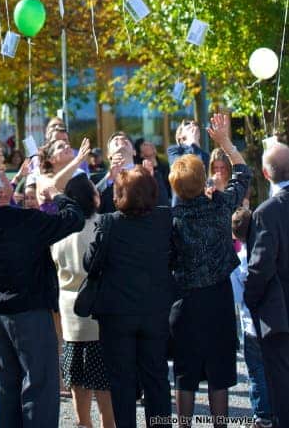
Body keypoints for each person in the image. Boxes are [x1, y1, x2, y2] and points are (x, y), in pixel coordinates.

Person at [0, 163, 85, 427]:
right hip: (30, 311)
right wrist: (55, 193)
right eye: (2, 178)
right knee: (39, 385)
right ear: (0, 193)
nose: (8, 178)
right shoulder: (26, 221)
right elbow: (74, 218)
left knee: (5, 386)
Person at [168, 113, 251, 426]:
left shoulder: (172, 217)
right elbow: (243, 171)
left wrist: (187, 147)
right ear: (203, 179)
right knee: (219, 374)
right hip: (217, 299)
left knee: (185, 375)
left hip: (184, 301)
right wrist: (224, 141)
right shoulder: (220, 205)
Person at [84, 166, 173, 428]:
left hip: (117, 312)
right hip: (155, 309)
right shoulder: (165, 219)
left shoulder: (109, 222)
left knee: (121, 381)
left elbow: (90, 263)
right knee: (156, 377)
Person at [52, 176, 114, 428]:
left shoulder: (59, 228)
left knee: (76, 377)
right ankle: (108, 424)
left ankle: (83, 422)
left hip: (69, 309)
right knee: (103, 379)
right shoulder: (104, 224)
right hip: (99, 306)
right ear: (93, 198)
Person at [245, 140, 289, 428]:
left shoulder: (266, 212)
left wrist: (250, 300)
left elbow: (260, 268)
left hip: (279, 317)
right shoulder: (267, 210)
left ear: (264, 173)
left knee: (283, 392)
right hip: (278, 315)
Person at [230, 207, 272, 428]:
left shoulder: (239, 260)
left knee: (256, 373)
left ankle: (262, 415)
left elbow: (237, 296)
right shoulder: (266, 252)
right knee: (273, 369)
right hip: (270, 321)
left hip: (249, 324)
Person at [97, 131, 168, 213]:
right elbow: (95, 207)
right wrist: (109, 179)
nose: (121, 139)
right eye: (116, 139)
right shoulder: (100, 180)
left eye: (125, 139)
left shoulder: (151, 174)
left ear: (134, 152)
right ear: (109, 154)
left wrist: (149, 181)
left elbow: (164, 207)